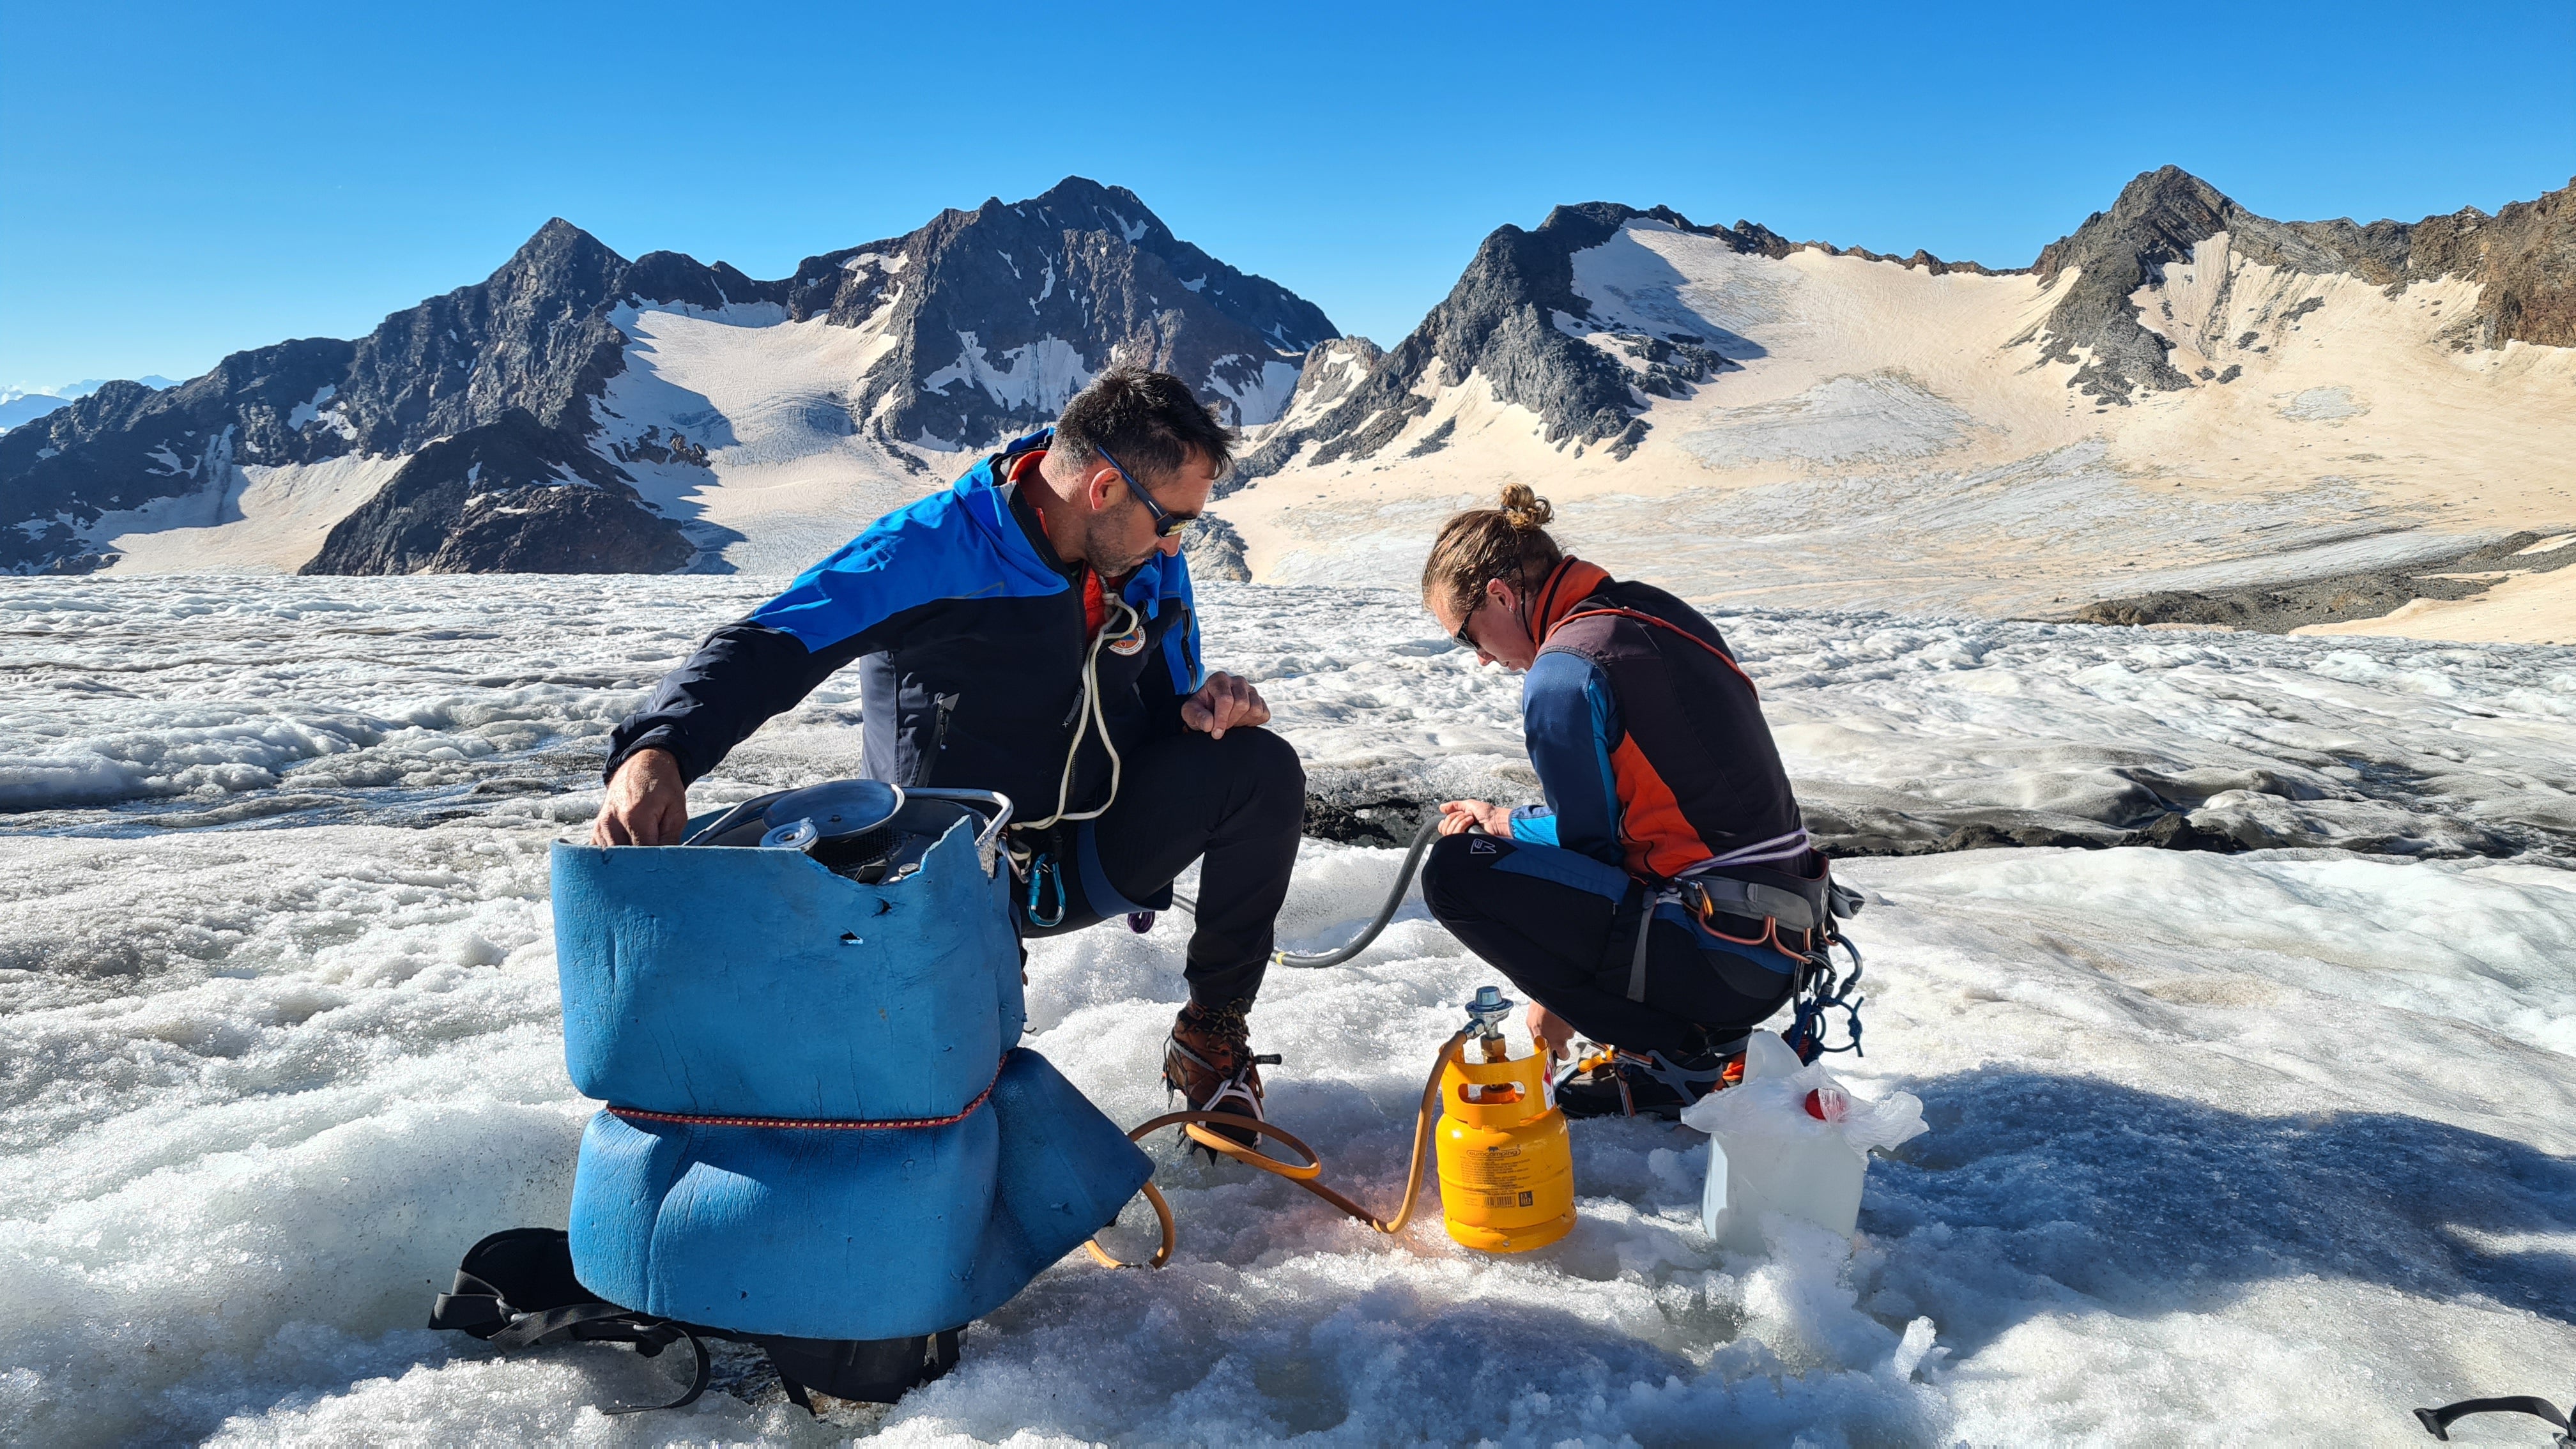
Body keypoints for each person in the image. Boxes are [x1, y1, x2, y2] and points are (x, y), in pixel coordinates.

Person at [590, 368, 1305, 1132]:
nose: (1175, 542)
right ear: (1104, 490)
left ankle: (1210, 1035)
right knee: (963, 1098)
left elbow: (1171, 698)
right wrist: (658, 749)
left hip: (1086, 850)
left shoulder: (1147, 564)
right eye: (1173, 520)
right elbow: (770, 643)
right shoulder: (932, 549)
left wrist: (1206, 711)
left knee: (1257, 768)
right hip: (948, 873)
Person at [1417, 485, 1827, 1119]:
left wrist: (1501, 826)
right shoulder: (1652, 613)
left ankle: (1670, 1056)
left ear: (1500, 594)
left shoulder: (1563, 673)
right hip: (1778, 942)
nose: (1479, 658)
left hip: (1718, 959)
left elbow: (1592, 852)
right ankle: (1697, 1044)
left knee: (1457, 873)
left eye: (1466, 633)